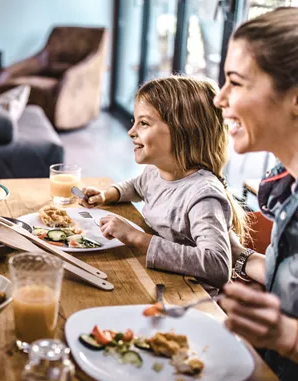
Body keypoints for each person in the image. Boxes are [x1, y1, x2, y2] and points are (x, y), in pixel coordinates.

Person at [212, 6, 298, 381]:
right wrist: (242, 259)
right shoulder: (296, 183)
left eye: (235, 82)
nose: (219, 98)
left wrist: (284, 334)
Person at [80, 75, 248, 289]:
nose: (131, 132)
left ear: (183, 131)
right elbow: (136, 186)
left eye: (143, 123)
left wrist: (137, 238)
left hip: (188, 297)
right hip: (155, 279)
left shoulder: (202, 195)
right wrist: (107, 195)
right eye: (135, 122)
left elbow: (217, 267)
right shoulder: (155, 172)